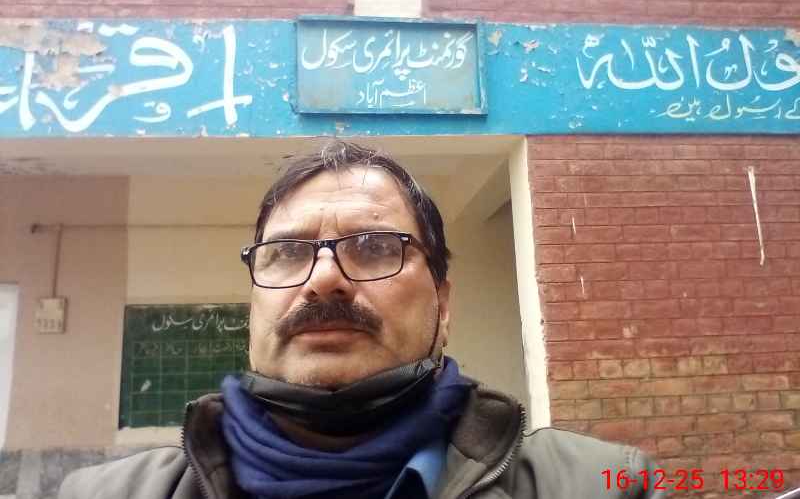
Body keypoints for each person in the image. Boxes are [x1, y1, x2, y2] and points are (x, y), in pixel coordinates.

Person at [59, 141, 664, 499]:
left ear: (443, 305)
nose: (323, 278)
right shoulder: (103, 495)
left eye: (375, 247)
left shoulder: (602, 485)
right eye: (287, 252)